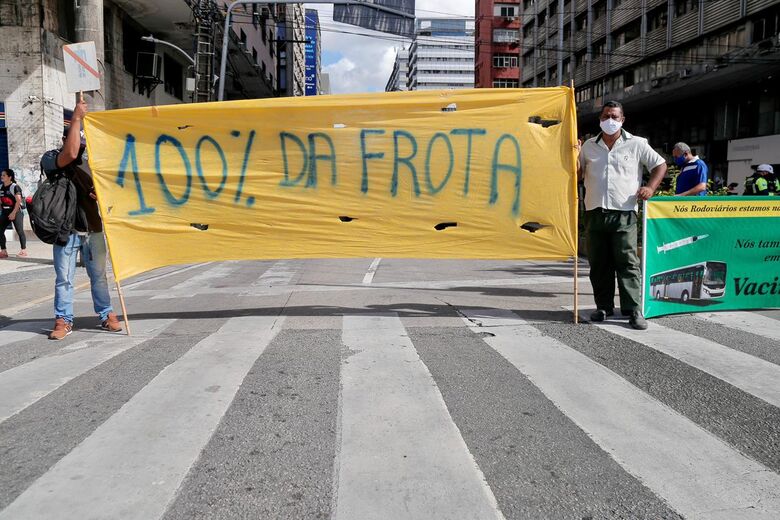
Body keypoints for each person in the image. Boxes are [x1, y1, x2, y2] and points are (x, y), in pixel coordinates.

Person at [578, 101, 667, 330]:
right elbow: (577, 175)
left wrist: (650, 188)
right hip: (594, 212)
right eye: (606, 116)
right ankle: (603, 307)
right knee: (599, 263)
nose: (610, 120)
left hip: (624, 213)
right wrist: (574, 155)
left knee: (627, 262)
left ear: (622, 120)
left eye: (614, 116)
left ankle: (633, 309)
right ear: (600, 119)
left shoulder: (637, 143)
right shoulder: (588, 146)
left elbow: (660, 165)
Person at [40, 99, 122, 340]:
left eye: (85, 142)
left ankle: (106, 313)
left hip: (92, 229)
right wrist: (76, 118)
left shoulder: (93, 164)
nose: (82, 147)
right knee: (64, 278)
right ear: (65, 138)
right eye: (77, 139)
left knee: (99, 276)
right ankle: (63, 319)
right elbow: (71, 153)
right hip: (65, 231)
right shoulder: (52, 158)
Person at [0, 168, 28, 258]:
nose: (1, 176)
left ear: (10, 177)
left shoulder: (14, 187)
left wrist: (13, 213)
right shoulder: (1, 187)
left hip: (16, 211)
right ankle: (3, 251)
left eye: (4, 175)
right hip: (5, 212)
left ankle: (23, 250)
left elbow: (18, 201)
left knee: (20, 231)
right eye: (1, 175)